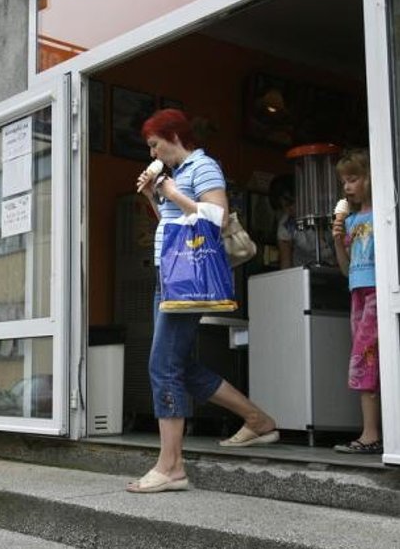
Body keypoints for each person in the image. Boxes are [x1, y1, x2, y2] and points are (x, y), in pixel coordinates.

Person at [129, 109, 278, 493]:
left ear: (173, 136)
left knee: (163, 365)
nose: (153, 153)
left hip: (187, 281)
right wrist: (153, 195)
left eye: (154, 144)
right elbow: (175, 223)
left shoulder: (203, 166)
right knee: (178, 364)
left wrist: (170, 191)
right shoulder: (176, 176)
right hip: (171, 279)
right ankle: (257, 420)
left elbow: (216, 217)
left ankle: (172, 467)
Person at [331, 150, 381, 454]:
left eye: (354, 179)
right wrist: (338, 239)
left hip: (376, 291)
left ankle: (371, 434)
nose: (347, 187)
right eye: (344, 182)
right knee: (365, 358)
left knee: (364, 359)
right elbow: (345, 268)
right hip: (357, 291)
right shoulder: (351, 221)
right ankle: (372, 432)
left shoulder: (383, 215)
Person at [269, 174, 336, 268]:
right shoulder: (286, 225)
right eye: (283, 208)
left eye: (290, 204)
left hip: (333, 270)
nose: (289, 211)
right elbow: (285, 264)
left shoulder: (326, 213)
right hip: (302, 274)